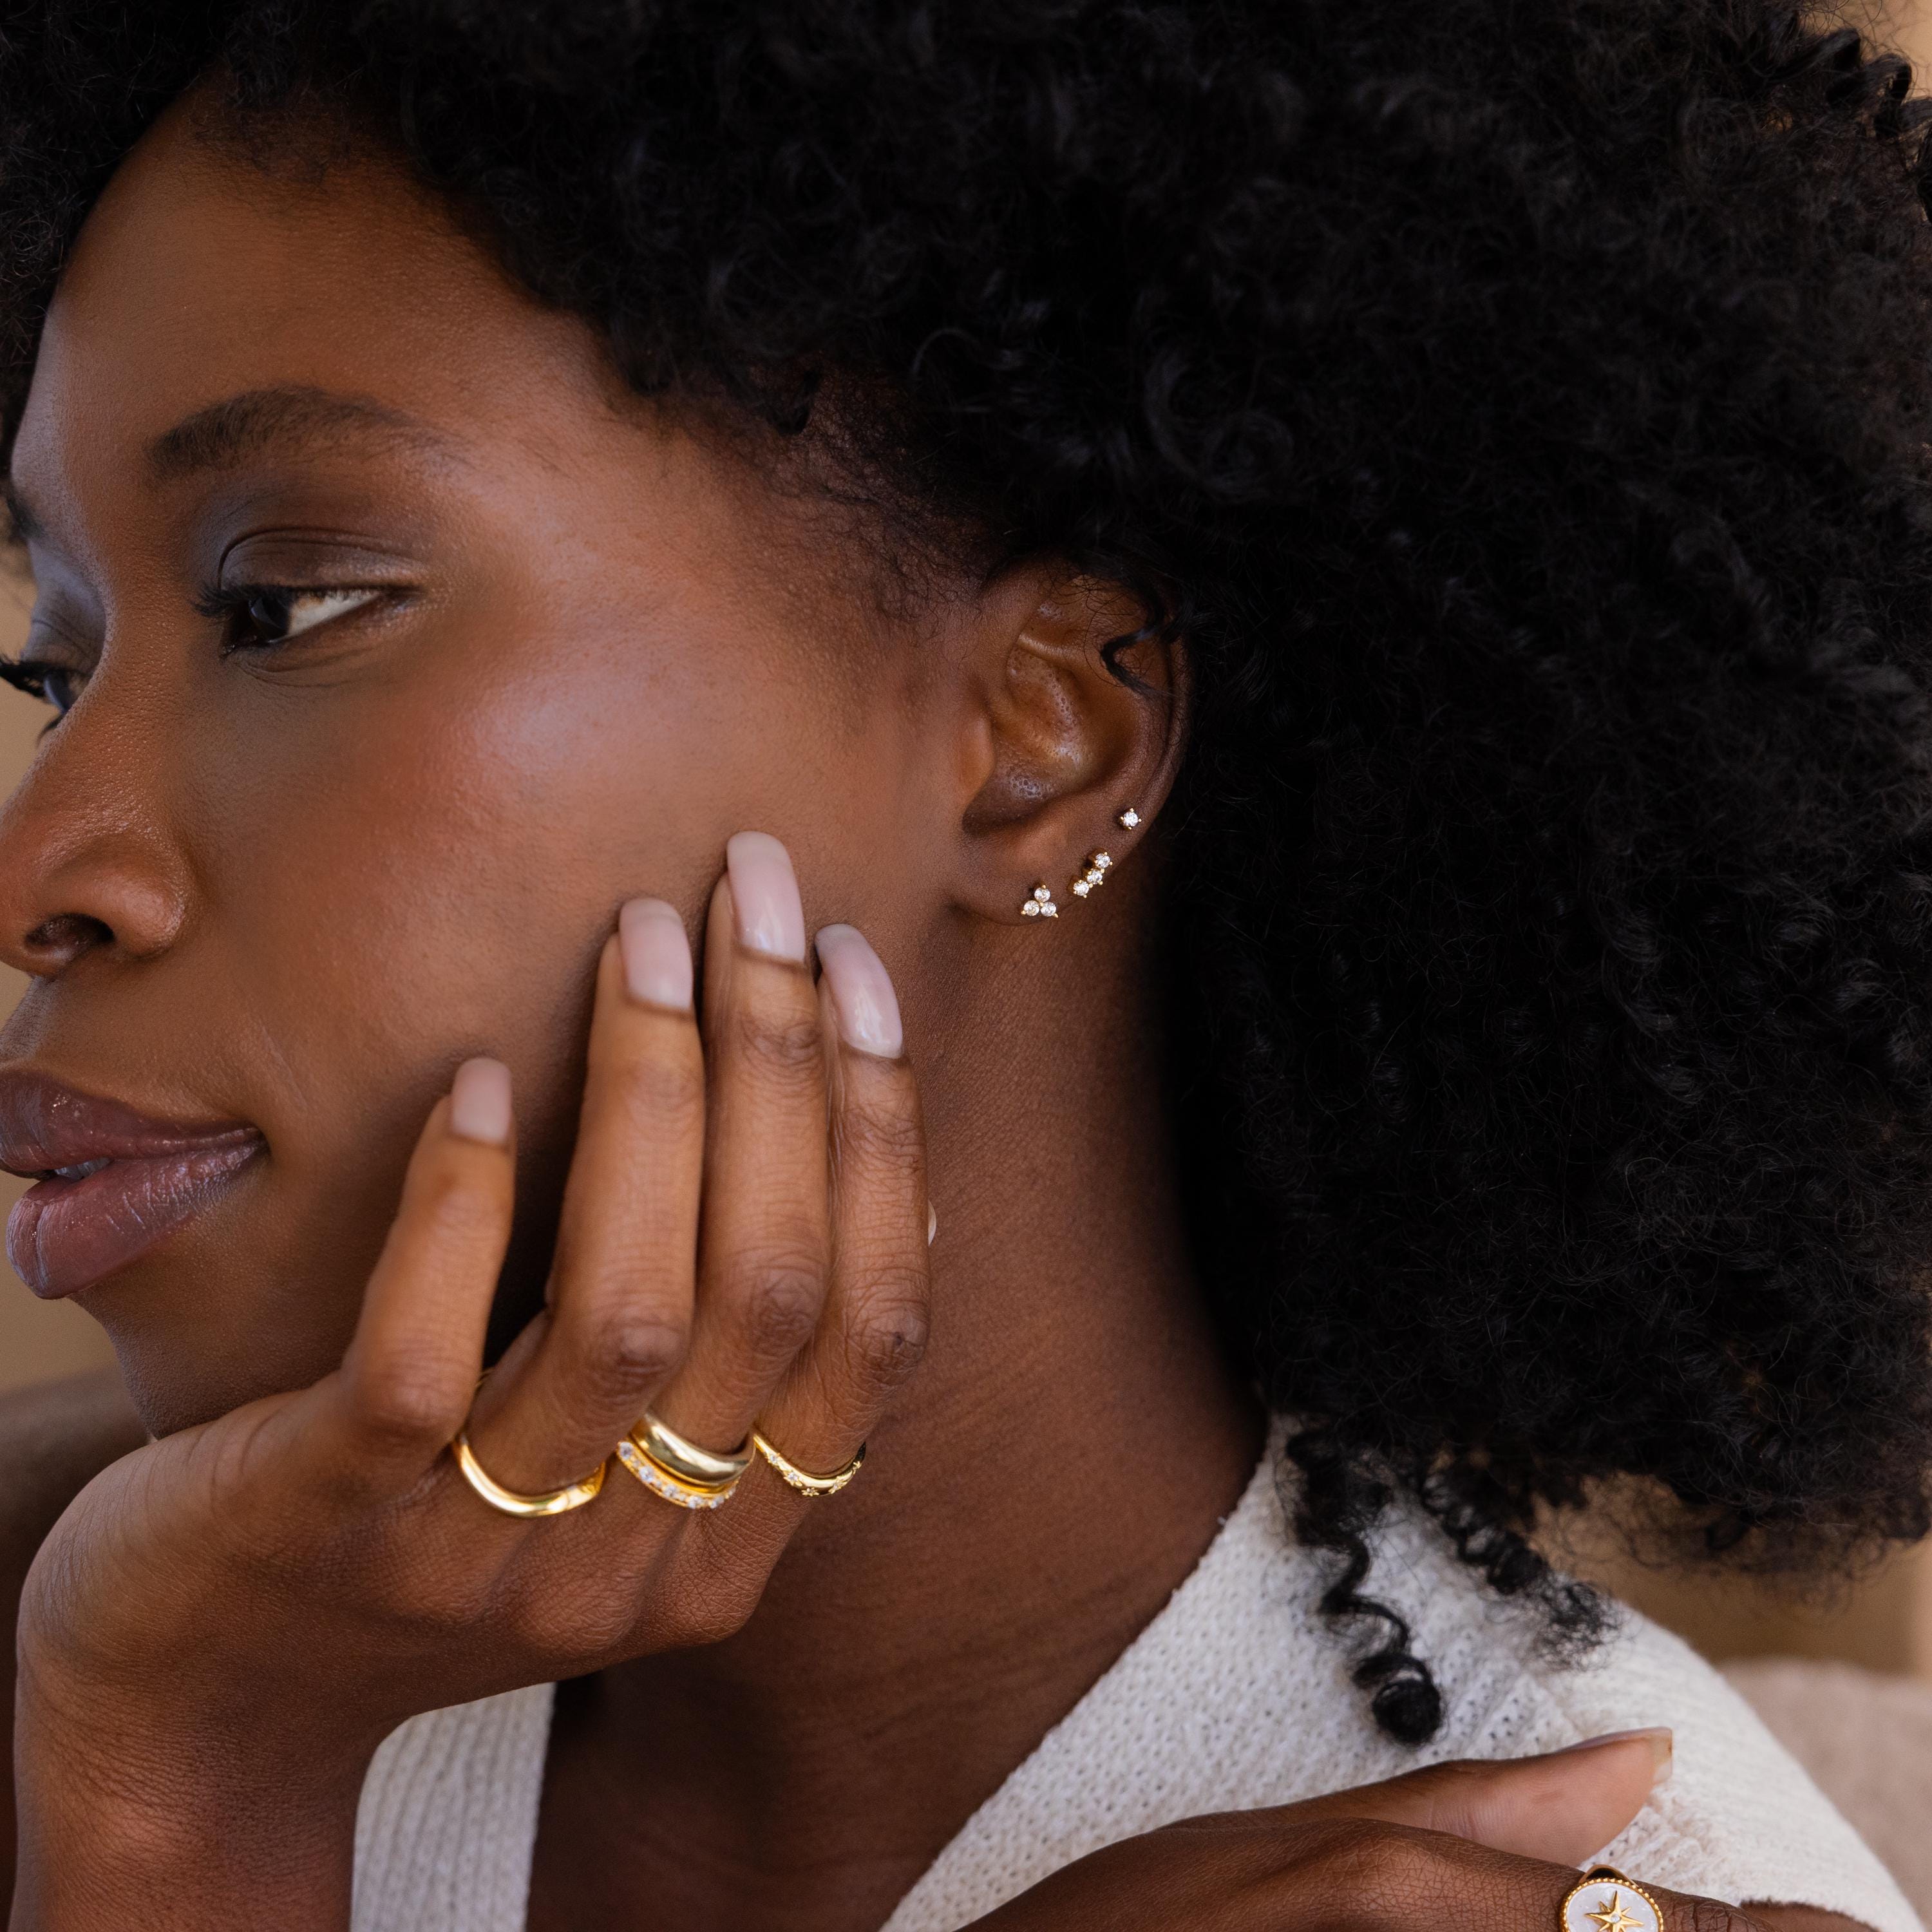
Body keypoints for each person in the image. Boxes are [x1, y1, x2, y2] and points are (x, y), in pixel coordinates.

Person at [0, 1, 1928, 1927]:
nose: (40, 871)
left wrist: (172, 1802)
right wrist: (167, 1771)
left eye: (287, 606)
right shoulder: (130, 1630)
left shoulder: (1534, 1885)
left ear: (1038, 738)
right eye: (52, 669)